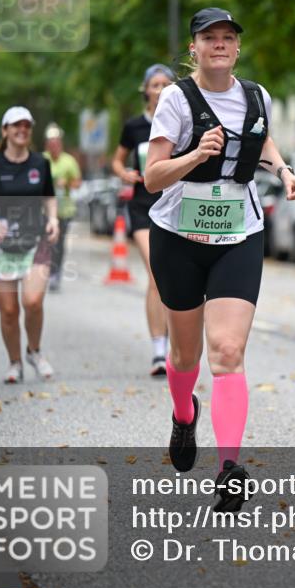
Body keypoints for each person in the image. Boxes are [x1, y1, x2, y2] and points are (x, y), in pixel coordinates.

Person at [144, 8, 295, 512]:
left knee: (228, 350)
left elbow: (261, 139)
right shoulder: (176, 98)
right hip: (179, 234)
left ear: (238, 47)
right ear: (193, 47)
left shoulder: (257, 96)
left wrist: (283, 171)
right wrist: (196, 155)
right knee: (185, 357)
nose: (220, 44)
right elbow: (152, 177)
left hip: (239, 231)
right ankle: (182, 413)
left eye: (228, 38)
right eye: (209, 37)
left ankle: (229, 469)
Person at [0, 107, 60, 383]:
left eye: (26, 126)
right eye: (16, 125)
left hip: (36, 243)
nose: (22, 130)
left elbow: (49, 197)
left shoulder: (40, 163)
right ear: (4, 130)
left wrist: (53, 219)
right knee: (9, 311)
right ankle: (15, 362)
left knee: (32, 301)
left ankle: (34, 350)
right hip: (5, 247)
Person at [112, 64, 176, 376]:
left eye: (166, 84)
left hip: (175, 204)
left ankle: (177, 346)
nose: (161, 89)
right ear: (146, 90)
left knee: (174, 278)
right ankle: (158, 351)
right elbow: (116, 159)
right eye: (155, 84)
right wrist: (123, 172)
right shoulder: (135, 126)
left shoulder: (182, 121)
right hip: (142, 206)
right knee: (157, 272)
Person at [43, 123, 82, 292]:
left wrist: (66, 182)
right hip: (44, 210)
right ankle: (46, 271)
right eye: (51, 143)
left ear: (60, 143)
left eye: (56, 143)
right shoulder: (41, 159)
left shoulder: (69, 161)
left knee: (58, 244)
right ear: (47, 144)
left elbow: (78, 183)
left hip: (64, 210)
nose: (54, 146)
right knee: (46, 243)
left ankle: (55, 273)